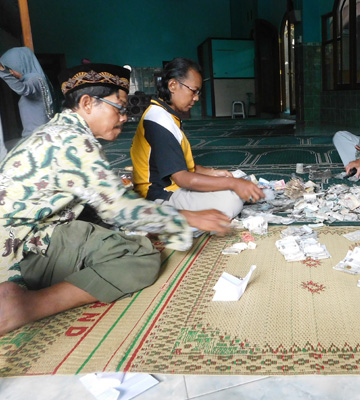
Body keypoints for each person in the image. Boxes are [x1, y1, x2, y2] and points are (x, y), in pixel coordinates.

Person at [0, 63, 231, 335]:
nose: (124, 118)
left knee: (123, 231)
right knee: (140, 257)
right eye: (119, 108)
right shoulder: (73, 142)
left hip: (20, 235)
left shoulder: (58, 132)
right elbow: (118, 208)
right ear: (87, 103)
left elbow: (99, 202)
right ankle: (28, 305)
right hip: (21, 248)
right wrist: (186, 218)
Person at [131, 57, 264, 218]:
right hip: (159, 197)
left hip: (172, 189)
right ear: (172, 85)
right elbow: (182, 178)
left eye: (198, 92)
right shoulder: (159, 120)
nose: (196, 98)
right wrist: (233, 183)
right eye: (193, 91)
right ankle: (170, 219)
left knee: (232, 187)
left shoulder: (164, 114)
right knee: (232, 199)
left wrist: (213, 173)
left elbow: (181, 166)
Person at [0, 47, 55, 159]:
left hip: (37, 139)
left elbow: (24, 89)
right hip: (38, 137)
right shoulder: (36, 79)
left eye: (11, 68)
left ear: (20, 64)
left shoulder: (34, 79)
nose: (11, 72)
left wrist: (3, 72)